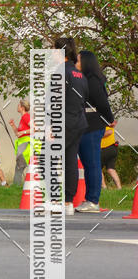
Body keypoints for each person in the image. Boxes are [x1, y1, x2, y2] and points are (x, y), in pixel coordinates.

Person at [53, 36, 88, 216]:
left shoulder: (60, 72)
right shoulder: (79, 74)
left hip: (63, 122)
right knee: (70, 161)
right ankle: (68, 202)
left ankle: (54, 201)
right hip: (78, 122)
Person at [76, 50, 114, 211]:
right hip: (85, 126)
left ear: (86, 62)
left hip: (93, 126)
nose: (75, 63)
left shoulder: (93, 81)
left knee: (92, 163)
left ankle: (93, 200)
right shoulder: (85, 79)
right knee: (87, 162)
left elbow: (103, 103)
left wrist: (110, 120)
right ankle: (89, 199)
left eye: (78, 60)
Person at [9, 98, 31, 185]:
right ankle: (16, 184)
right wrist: (13, 125)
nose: (17, 107)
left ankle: (16, 185)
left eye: (18, 105)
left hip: (26, 145)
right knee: (19, 165)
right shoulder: (23, 118)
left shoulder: (26, 117)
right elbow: (18, 133)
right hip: (22, 144)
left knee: (20, 166)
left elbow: (36, 128)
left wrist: (23, 132)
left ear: (22, 107)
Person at [101, 122, 121, 189]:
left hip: (104, 148)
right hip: (113, 148)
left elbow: (109, 132)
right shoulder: (110, 125)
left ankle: (104, 187)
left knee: (98, 169)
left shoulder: (102, 126)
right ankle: (119, 187)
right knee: (111, 169)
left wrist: (97, 135)